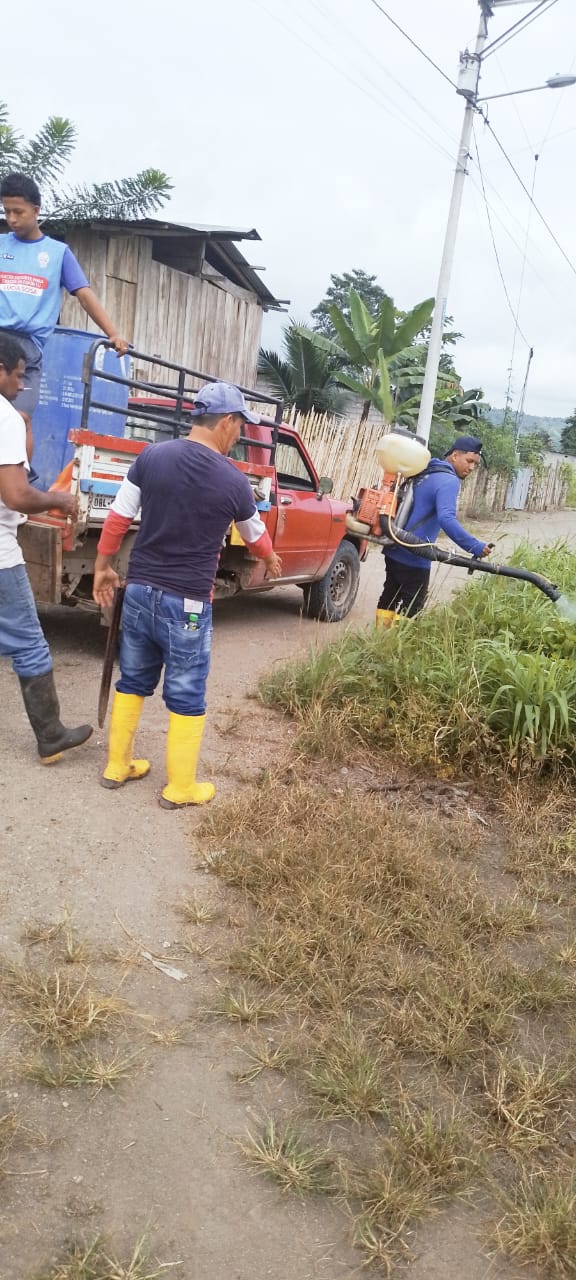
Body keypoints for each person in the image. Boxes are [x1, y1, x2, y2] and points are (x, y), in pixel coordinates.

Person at [92, 381, 283, 809]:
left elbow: (118, 517)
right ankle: (180, 788)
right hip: (189, 605)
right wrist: (270, 559)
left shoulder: (151, 456)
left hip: (138, 591)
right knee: (187, 690)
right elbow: (255, 537)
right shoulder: (233, 481)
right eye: (240, 426)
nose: (239, 434)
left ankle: (117, 766)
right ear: (227, 422)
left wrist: (103, 567)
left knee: (133, 679)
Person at [0, 332, 93, 761]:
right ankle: (51, 734)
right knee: (29, 643)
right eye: (18, 376)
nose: (22, 385)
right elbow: (17, 494)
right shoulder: (4, 417)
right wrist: (60, 499)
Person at [0, 171, 129, 417]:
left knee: (21, 418)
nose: (12, 219)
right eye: (7, 212)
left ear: (36, 211)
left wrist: (113, 333)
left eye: (18, 212)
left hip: (28, 350)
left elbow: (84, 294)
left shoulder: (57, 253)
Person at [377, 434, 491, 623]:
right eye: (469, 461)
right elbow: (447, 519)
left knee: (389, 595)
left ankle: (379, 637)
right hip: (415, 556)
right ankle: (396, 641)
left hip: (394, 548)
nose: (471, 468)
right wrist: (475, 546)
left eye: (475, 464)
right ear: (455, 455)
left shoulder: (427, 471)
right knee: (411, 609)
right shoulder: (449, 481)